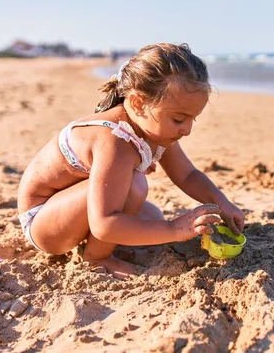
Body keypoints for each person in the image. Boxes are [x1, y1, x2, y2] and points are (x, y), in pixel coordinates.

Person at [17, 43, 245, 279]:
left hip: (70, 206)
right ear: (137, 103)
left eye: (192, 120)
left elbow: (187, 175)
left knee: (152, 218)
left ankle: (101, 245)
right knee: (135, 187)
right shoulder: (115, 140)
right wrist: (175, 229)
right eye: (179, 119)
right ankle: (96, 259)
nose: (186, 130)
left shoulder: (153, 127)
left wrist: (221, 202)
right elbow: (104, 223)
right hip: (43, 223)